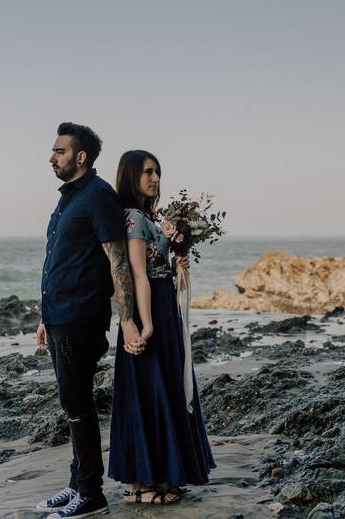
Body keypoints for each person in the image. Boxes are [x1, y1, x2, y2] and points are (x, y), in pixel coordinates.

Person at [34, 123, 144, 519]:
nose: (52, 157)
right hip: (60, 318)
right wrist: (46, 316)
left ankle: (92, 494)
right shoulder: (67, 199)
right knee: (71, 404)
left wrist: (126, 319)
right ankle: (77, 483)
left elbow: (117, 263)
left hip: (82, 317)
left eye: (59, 151)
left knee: (77, 404)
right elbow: (58, 260)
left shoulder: (98, 197)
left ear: (80, 157)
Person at [107, 150, 216, 504]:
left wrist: (178, 260)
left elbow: (157, 265)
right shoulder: (133, 218)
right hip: (149, 305)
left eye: (157, 172)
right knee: (148, 389)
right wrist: (146, 323)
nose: (155, 179)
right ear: (130, 176)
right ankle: (140, 482)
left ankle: (165, 474)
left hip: (164, 302)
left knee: (164, 385)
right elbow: (136, 273)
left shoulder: (149, 217)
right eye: (147, 173)